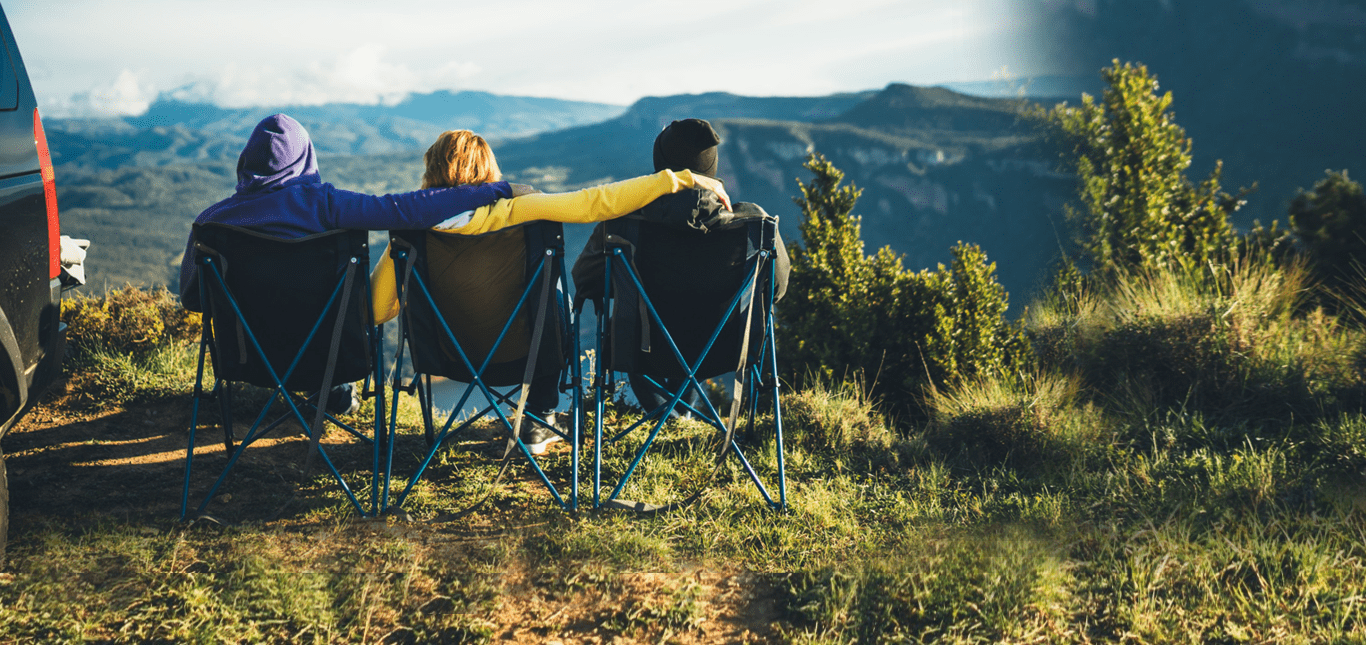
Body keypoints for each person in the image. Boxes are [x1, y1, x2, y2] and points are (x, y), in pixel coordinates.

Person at [368, 129, 731, 454]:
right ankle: (539, 416)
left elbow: (376, 310)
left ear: (431, 172)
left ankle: (525, 420)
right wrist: (677, 179)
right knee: (550, 290)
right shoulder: (520, 210)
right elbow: (596, 202)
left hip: (448, 357)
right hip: (528, 352)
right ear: (488, 170)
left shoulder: (410, 235)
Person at [178, 113, 522, 416]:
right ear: (305, 158)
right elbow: (409, 211)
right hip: (328, 355)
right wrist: (493, 190)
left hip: (246, 357)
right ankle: (332, 392)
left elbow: (194, 299)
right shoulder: (326, 205)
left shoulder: (212, 222)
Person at [571, 118, 789, 417]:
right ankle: (679, 416)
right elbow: (775, 289)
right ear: (711, 167)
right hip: (726, 345)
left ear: (660, 165)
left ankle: (666, 416)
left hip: (644, 348)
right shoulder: (755, 225)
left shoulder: (623, 222)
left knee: (637, 325)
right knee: (698, 335)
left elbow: (586, 281)